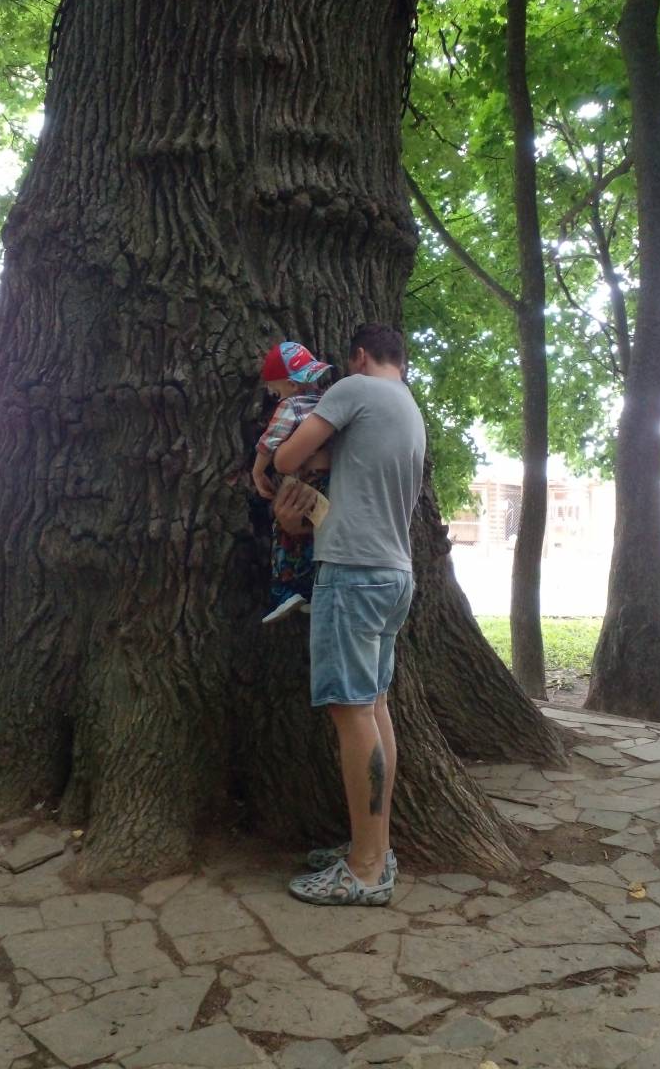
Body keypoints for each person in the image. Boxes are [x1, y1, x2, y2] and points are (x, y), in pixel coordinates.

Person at [272, 322, 425, 906]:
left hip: (354, 574)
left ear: (359, 356)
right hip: (393, 575)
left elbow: (289, 454)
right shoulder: (406, 407)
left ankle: (364, 870)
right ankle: (374, 848)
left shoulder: (354, 389)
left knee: (352, 713)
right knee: (374, 707)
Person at [252, 340, 332, 623]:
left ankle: (285, 590)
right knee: (313, 533)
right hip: (330, 483)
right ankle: (312, 588)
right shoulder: (328, 401)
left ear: (293, 385)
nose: (274, 395)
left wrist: (258, 471)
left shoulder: (292, 405)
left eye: (277, 389)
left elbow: (271, 440)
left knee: (284, 531)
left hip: (303, 480)